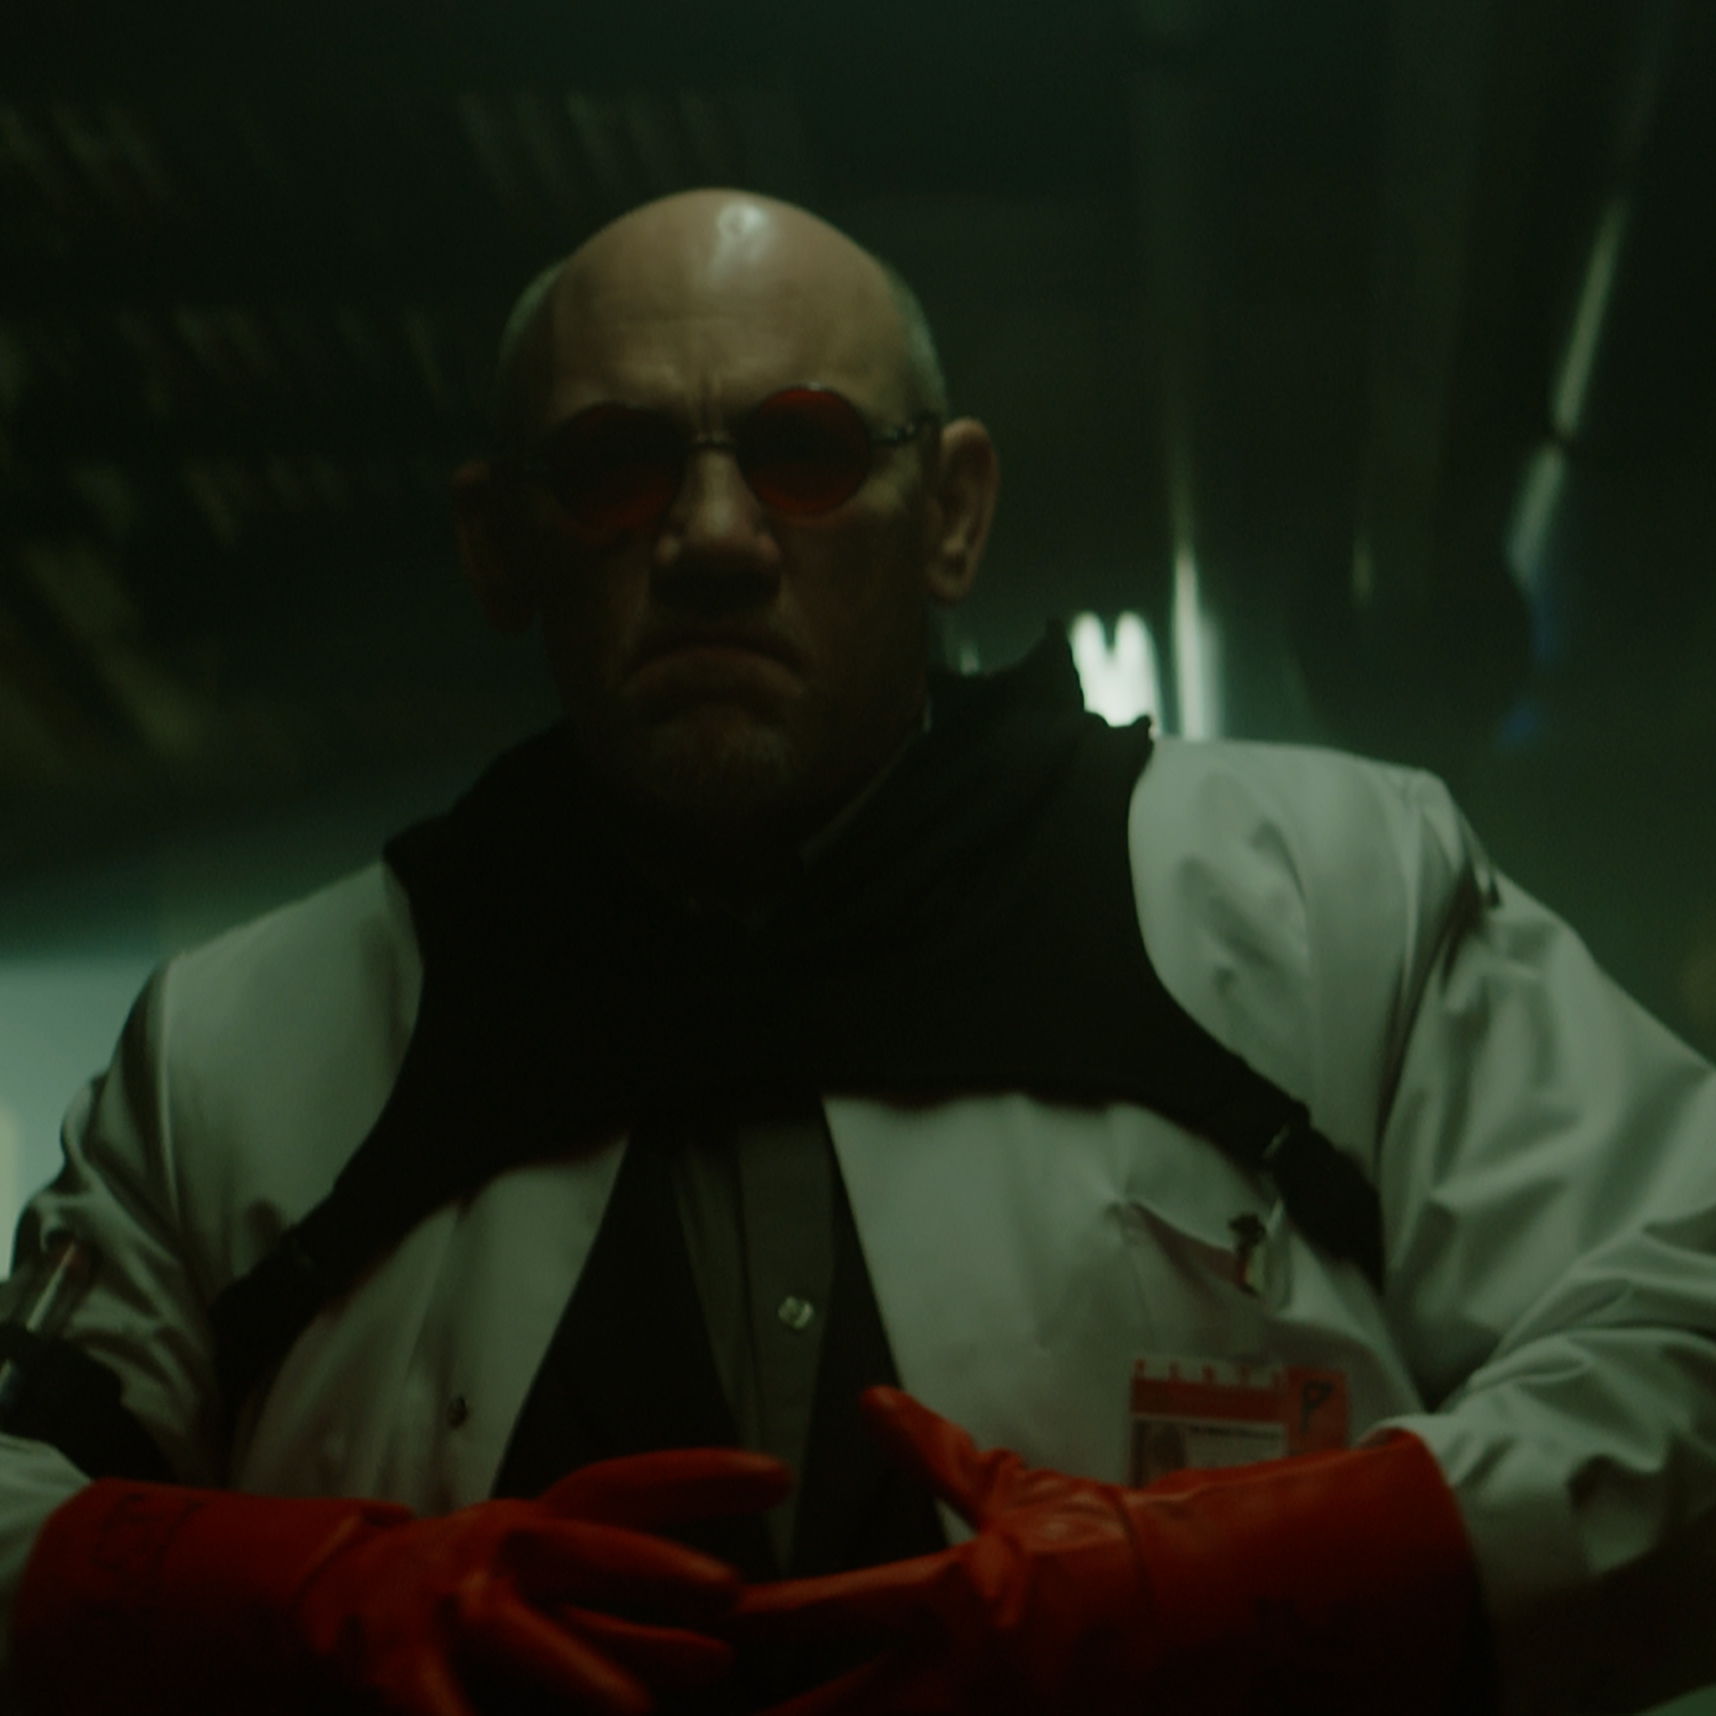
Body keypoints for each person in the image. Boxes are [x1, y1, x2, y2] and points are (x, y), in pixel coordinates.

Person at [1, 187, 1714, 1716]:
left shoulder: (1327, 897)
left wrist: (1259, 1589)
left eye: (807, 451)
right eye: (616, 466)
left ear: (953, 511)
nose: (715, 539)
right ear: (498, 545)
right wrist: (290, 1609)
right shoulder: (235, 1055)